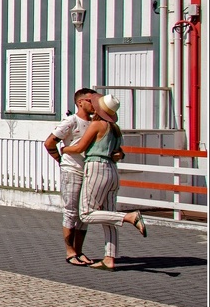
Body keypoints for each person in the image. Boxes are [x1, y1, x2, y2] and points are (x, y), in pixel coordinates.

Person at [62, 93, 147, 271]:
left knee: (85, 214)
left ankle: (129, 217)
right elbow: (119, 153)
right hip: (112, 170)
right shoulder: (115, 128)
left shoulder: (97, 125)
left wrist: (64, 149)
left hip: (96, 168)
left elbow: (79, 147)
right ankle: (110, 258)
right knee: (109, 216)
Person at [44, 88, 97, 266]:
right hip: (72, 169)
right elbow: (50, 141)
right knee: (71, 211)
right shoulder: (71, 121)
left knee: (84, 213)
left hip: (88, 171)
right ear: (80, 102)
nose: (94, 104)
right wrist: (60, 159)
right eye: (90, 100)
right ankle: (70, 251)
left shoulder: (95, 122)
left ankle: (79, 250)